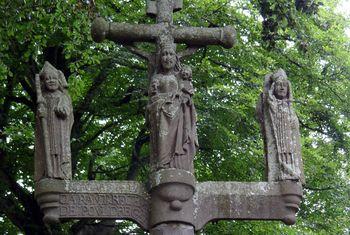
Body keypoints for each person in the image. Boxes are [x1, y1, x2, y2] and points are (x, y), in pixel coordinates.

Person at [147, 39, 198, 173]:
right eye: (164, 54)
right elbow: (152, 97)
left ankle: (179, 163)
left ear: (175, 58)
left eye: (170, 54)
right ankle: (163, 163)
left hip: (178, 113)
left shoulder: (180, 76)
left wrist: (183, 97)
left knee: (182, 135)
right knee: (162, 137)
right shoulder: (157, 77)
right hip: (161, 113)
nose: (167, 58)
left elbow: (188, 92)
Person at [35, 62, 73, 181]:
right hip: (48, 131)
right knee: (49, 152)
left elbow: (68, 112)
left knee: (60, 152)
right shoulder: (43, 98)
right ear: (44, 82)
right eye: (48, 79)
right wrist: (40, 114)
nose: (51, 81)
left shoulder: (63, 97)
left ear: (59, 81)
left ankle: (61, 172)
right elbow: (39, 119)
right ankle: (48, 172)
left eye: (54, 78)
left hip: (60, 130)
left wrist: (62, 110)